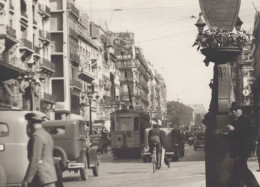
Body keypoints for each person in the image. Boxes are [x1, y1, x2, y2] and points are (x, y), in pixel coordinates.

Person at [226, 101, 259, 187]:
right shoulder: (235, 121)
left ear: (241, 110)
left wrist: (233, 129)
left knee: (242, 169)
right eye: (232, 110)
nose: (233, 112)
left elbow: (245, 135)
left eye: (235, 109)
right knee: (239, 170)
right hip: (238, 150)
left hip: (242, 150)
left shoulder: (245, 120)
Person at [23, 112, 57, 187]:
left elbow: (35, 159)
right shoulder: (46, 134)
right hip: (49, 176)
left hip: (41, 178)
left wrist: (27, 180)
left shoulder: (36, 136)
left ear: (30, 122)